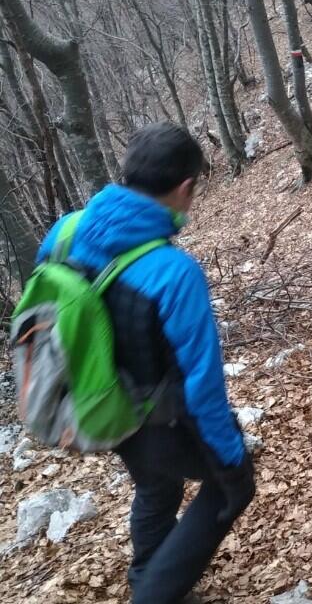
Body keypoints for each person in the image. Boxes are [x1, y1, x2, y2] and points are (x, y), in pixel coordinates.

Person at [34, 122, 254, 604]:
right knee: (226, 485)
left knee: (158, 484)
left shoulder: (65, 231)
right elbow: (203, 388)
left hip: (92, 403)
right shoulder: (173, 273)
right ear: (185, 187)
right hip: (154, 418)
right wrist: (234, 464)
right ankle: (154, 593)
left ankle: (147, 573)